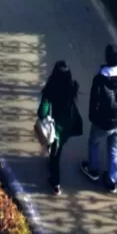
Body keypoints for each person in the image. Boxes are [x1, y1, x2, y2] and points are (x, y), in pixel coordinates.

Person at [81, 44, 117, 193]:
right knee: (114, 148)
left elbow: (94, 100)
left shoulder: (100, 78)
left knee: (94, 141)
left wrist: (92, 116)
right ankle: (112, 180)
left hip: (103, 120)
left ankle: (93, 170)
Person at [38, 61, 83, 195]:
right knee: (59, 147)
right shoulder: (72, 87)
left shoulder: (51, 89)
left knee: (55, 154)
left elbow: (42, 112)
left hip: (56, 128)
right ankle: (53, 156)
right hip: (69, 125)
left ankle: (55, 183)